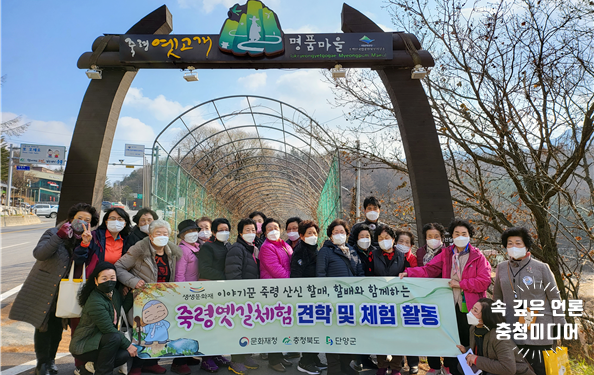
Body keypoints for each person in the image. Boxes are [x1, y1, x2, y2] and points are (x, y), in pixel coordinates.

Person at [10, 203, 99, 375]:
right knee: (43, 325)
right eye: (79, 218)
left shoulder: (88, 239)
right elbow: (40, 254)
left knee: (58, 325)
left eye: (87, 220)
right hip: (45, 286)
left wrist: (85, 244)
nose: (82, 222)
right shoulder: (53, 233)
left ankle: (51, 360)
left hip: (67, 290)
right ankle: (42, 364)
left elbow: (85, 263)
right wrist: (59, 236)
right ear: (71, 218)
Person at [400, 219, 492, 375]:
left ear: (470, 236)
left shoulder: (478, 256)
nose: (460, 236)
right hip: (450, 305)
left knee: (470, 341)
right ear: (452, 236)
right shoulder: (447, 253)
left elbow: (484, 281)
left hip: (471, 307)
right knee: (454, 341)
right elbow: (429, 270)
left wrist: (461, 284)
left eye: (464, 234)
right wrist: (409, 272)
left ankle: (472, 371)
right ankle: (456, 370)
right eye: (457, 233)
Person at [493, 227, 566, 375]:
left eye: (518, 243)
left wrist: (560, 323)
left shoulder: (541, 268)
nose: (514, 247)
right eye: (510, 243)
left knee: (542, 369)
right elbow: (497, 299)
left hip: (540, 329)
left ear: (526, 245)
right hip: (512, 329)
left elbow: (554, 297)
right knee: (518, 370)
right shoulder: (501, 268)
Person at [115, 220, 182, 375]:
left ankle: (152, 363)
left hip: (163, 298)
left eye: (165, 233)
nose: (162, 236)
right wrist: (132, 282)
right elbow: (119, 267)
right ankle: (136, 366)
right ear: (150, 236)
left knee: (158, 332)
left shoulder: (172, 251)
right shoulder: (139, 249)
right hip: (141, 298)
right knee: (141, 331)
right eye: (158, 233)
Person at [69, 262, 137, 375]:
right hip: (84, 344)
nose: (109, 281)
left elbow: (121, 311)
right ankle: (103, 372)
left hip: (101, 340)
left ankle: (91, 368)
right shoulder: (95, 301)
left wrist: (131, 294)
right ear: (96, 281)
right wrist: (129, 345)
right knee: (114, 337)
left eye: (112, 278)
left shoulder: (113, 293)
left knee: (123, 355)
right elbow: (108, 329)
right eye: (104, 278)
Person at [317, 219, 363, 375]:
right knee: (333, 335)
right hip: (333, 302)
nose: (339, 235)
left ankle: (345, 364)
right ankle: (334, 368)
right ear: (330, 236)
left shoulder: (353, 251)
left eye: (342, 232)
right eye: (335, 232)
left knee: (350, 335)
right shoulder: (325, 251)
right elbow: (320, 275)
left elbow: (360, 273)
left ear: (347, 234)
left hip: (352, 301)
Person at [370, 225, 412, 375]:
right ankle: (381, 364)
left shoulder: (402, 256)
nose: (384, 241)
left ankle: (395, 367)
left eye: (387, 237)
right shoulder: (373, 255)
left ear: (393, 239)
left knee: (397, 333)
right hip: (378, 300)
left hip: (398, 301)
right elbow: (367, 276)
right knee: (380, 333)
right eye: (380, 238)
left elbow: (408, 274)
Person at [456, 298, 536, 375]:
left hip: (515, 373)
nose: (471, 312)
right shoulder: (474, 328)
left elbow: (508, 368)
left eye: (475, 311)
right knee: (461, 366)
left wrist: (477, 360)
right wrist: (466, 350)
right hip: (489, 369)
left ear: (486, 316)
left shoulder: (499, 337)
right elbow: (482, 350)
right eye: (473, 309)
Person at [290, 220, 327, 375]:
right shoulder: (300, 251)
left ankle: (314, 357)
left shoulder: (315, 249)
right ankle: (305, 361)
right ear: (301, 236)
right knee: (309, 330)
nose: (313, 236)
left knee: (317, 329)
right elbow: (296, 276)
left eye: (315, 233)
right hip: (306, 298)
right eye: (309, 233)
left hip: (316, 296)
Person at [225, 218, 261, 375]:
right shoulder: (237, 249)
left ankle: (246, 355)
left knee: (248, 327)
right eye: (247, 230)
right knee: (239, 327)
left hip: (251, 295)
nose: (251, 233)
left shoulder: (252, 248)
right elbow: (233, 274)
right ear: (240, 232)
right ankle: (236, 360)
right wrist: (239, 294)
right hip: (241, 296)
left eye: (253, 230)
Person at [196, 217, 233, 372]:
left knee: (221, 324)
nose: (224, 233)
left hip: (224, 291)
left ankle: (217, 353)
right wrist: (225, 276)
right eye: (220, 230)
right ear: (213, 232)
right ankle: (206, 358)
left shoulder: (229, 246)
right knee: (209, 324)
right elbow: (204, 269)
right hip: (210, 289)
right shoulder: (208, 248)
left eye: (226, 230)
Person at [259, 217, 294, 372]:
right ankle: (273, 359)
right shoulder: (266, 248)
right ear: (265, 232)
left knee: (281, 325)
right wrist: (292, 281)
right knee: (273, 325)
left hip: (283, 289)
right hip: (273, 290)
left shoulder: (284, 245)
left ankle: (279, 355)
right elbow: (276, 270)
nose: (273, 231)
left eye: (275, 227)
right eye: (269, 229)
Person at [171, 219, 203, 374]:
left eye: (194, 231)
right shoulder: (183, 250)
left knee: (192, 327)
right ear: (182, 235)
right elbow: (179, 274)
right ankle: (178, 362)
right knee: (185, 328)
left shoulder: (196, 247)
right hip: (188, 293)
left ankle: (188, 355)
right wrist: (182, 295)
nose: (193, 234)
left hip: (196, 292)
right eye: (189, 232)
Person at [415, 223, 447, 375]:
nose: (433, 239)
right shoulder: (420, 252)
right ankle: (434, 365)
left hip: (444, 295)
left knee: (446, 331)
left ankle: (447, 364)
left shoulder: (448, 252)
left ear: (442, 238)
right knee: (430, 331)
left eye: (436, 236)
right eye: (429, 236)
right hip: (426, 296)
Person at [74, 207, 132, 274]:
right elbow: (78, 260)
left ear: (125, 223)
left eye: (120, 219)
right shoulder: (93, 236)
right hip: (91, 278)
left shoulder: (126, 240)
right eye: (112, 218)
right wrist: (84, 244)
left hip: (114, 280)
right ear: (106, 222)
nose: (116, 221)